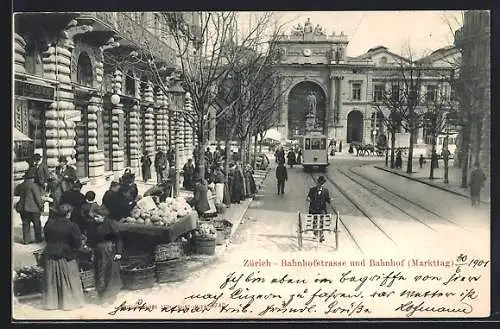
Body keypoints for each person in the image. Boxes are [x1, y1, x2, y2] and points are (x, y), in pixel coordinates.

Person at [42, 204, 85, 310]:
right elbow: (77, 242)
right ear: (68, 214)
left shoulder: (49, 224)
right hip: (66, 254)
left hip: (50, 253)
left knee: (52, 279)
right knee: (69, 278)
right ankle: (68, 303)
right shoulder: (72, 225)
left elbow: (46, 238)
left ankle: (51, 304)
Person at [86, 205, 123, 303]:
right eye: (94, 216)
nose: (95, 218)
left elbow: (118, 238)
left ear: (103, 216)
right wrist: (90, 247)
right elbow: (91, 238)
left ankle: (110, 295)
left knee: (109, 271)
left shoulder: (110, 224)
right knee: (99, 271)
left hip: (109, 250)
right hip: (98, 250)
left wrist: (119, 252)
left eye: (97, 216)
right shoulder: (92, 224)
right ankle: (101, 293)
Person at [14, 168, 44, 244]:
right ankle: (38, 238)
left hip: (22, 208)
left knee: (25, 224)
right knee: (37, 224)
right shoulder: (34, 186)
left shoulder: (21, 185)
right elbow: (37, 198)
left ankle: (26, 240)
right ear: (32, 178)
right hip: (33, 209)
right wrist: (41, 206)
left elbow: (16, 192)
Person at [306, 176, 331, 243]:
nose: (320, 184)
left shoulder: (326, 190)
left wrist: (330, 200)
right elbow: (308, 197)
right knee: (315, 221)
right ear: (317, 182)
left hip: (322, 209)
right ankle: (315, 233)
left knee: (321, 222)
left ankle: (321, 235)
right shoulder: (312, 190)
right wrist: (308, 199)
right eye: (319, 183)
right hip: (314, 208)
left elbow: (327, 199)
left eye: (322, 183)